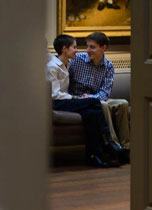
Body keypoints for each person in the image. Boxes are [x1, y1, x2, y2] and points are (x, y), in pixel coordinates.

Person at [48, 34, 120, 168]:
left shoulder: (67, 64)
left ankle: (94, 156)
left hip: (64, 101)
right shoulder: (53, 67)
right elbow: (55, 95)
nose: (78, 50)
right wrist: (76, 98)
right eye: (74, 47)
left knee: (91, 114)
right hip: (57, 102)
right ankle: (107, 140)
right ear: (64, 49)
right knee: (94, 102)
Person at [68, 31, 131, 160]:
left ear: (103, 48)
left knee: (123, 103)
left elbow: (105, 93)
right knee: (101, 104)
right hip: (79, 100)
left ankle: (127, 147)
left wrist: (91, 98)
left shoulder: (108, 66)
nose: (88, 50)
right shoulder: (76, 60)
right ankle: (113, 144)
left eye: (92, 47)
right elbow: (64, 82)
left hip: (96, 98)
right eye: (87, 46)